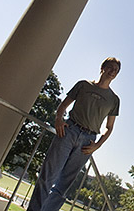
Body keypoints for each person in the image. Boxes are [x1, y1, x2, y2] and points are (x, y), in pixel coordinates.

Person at [27, 57, 121, 211]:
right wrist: (58, 119)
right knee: (47, 176)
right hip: (69, 131)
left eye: (116, 70)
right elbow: (63, 106)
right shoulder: (83, 85)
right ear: (102, 67)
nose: (112, 72)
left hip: (88, 142)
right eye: (110, 67)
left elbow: (109, 127)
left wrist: (97, 145)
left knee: (64, 184)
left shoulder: (114, 100)